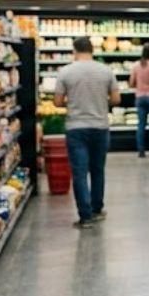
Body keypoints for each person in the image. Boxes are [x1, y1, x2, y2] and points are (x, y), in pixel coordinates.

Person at [54, 36, 120, 229]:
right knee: (98, 170)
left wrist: (74, 103)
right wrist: (99, 102)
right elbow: (116, 99)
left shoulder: (65, 71)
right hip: (100, 126)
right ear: (92, 50)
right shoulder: (105, 70)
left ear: (75, 50)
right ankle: (97, 209)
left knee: (80, 172)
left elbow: (57, 102)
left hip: (76, 128)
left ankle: (85, 216)